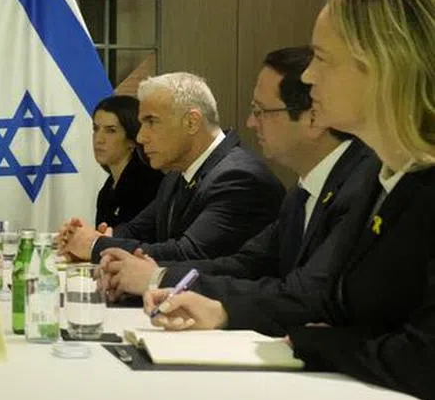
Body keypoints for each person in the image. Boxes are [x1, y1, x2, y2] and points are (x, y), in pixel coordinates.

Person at [144, 0, 435, 400]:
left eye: (323, 58)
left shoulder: (397, 182)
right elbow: (332, 304)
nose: (310, 76)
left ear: (384, 64)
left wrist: (316, 341)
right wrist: (223, 310)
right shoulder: (385, 177)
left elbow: (423, 358)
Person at [99, 47, 377, 309]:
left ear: (314, 118)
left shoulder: (362, 189)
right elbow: (245, 264)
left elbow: (304, 294)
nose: (250, 123)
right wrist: (155, 275)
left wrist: (157, 278)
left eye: (260, 111)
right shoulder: (302, 191)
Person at [60, 72, 284, 263]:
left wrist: (95, 245)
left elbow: (188, 253)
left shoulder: (239, 178)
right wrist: (93, 238)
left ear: (191, 122)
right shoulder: (176, 174)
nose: (140, 137)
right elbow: (136, 230)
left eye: (151, 122)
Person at [92, 95, 162, 229]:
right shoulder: (107, 189)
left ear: (132, 139)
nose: (98, 139)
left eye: (110, 131)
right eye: (96, 129)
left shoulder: (149, 184)